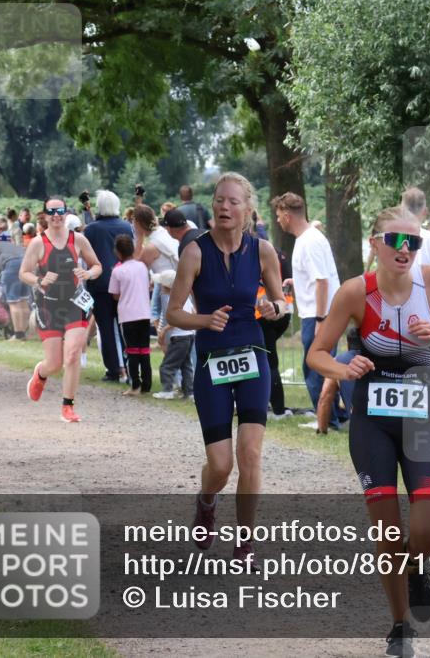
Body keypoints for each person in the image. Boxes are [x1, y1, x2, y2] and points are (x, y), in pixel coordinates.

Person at [306, 206, 430, 657]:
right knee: (385, 527)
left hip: (420, 413)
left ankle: (417, 566)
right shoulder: (355, 292)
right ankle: (400, 625)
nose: (406, 250)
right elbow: (316, 353)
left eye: (414, 242)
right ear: (375, 243)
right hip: (372, 422)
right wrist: (343, 366)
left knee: (429, 529)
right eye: (396, 241)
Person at [167, 172, 285, 568]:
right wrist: (204, 321)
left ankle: (246, 543)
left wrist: (272, 307)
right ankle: (206, 500)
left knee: (249, 454)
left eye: (233, 202)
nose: (223, 207)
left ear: (248, 210)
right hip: (212, 363)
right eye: (219, 200)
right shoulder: (195, 252)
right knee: (221, 464)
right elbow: (173, 313)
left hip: (253, 359)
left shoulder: (263, 250)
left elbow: (281, 301)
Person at [21, 197, 103, 423]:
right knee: (54, 364)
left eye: (60, 211)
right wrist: (39, 279)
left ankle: (68, 406)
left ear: (66, 213)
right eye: (51, 211)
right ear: (45, 215)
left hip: (75, 302)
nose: (56, 215)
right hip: (49, 305)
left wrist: (89, 274)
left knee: (74, 352)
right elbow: (24, 273)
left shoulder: (78, 239)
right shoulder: (38, 243)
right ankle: (41, 373)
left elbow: (97, 266)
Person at [274, 191, 343, 422]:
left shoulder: (309, 242)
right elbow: (318, 277)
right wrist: (297, 281)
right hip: (321, 311)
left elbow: (322, 281)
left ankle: (327, 420)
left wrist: (321, 320)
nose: (276, 220)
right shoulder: (309, 238)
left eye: (277, 215)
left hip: (319, 313)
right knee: (323, 368)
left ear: (286, 215)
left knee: (314, 369)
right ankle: (336, 416)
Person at [84, 190, 133, 383]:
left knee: (105, 327)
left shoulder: (92, 229)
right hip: (124, 283)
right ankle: (128, 365)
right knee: (124, 326)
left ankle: (113, 368)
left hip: (101, 283)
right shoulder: (126, 226)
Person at [109, 235, 153, 396]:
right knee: (144, 351)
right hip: (144, 312)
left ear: (118, 252)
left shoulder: (117, 270)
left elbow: (114, 294)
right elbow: (147, 285)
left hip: (128, 314)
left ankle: (135, 385)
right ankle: (147, 385)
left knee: (132, 351)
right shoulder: (142, 266)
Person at [256, 244, 293, 419]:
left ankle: (278, 409)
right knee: (268, 359)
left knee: (269, 361)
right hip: (284, 309)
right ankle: (275, 407)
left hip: (264, 312)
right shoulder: (279, 252)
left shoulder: (255, 252)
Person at [133, 204, 179, 328]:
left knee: (170, 337)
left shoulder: (152, 246)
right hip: (176, 287)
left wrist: (139, 238)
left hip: (170, 292)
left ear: (138, 223)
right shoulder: (163, 233)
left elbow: (135, 268)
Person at [152, 270, 195, 400]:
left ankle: (167, 390)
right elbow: (193, 312)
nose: (159, 287)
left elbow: (177, 318)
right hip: (189, 335)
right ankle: (189, 392)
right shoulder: (185, 296)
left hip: (180, 337)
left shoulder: (172, 299)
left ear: (167, 286)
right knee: (186, 365)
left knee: (167, 366)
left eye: (161, 285)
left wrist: (164, 330)